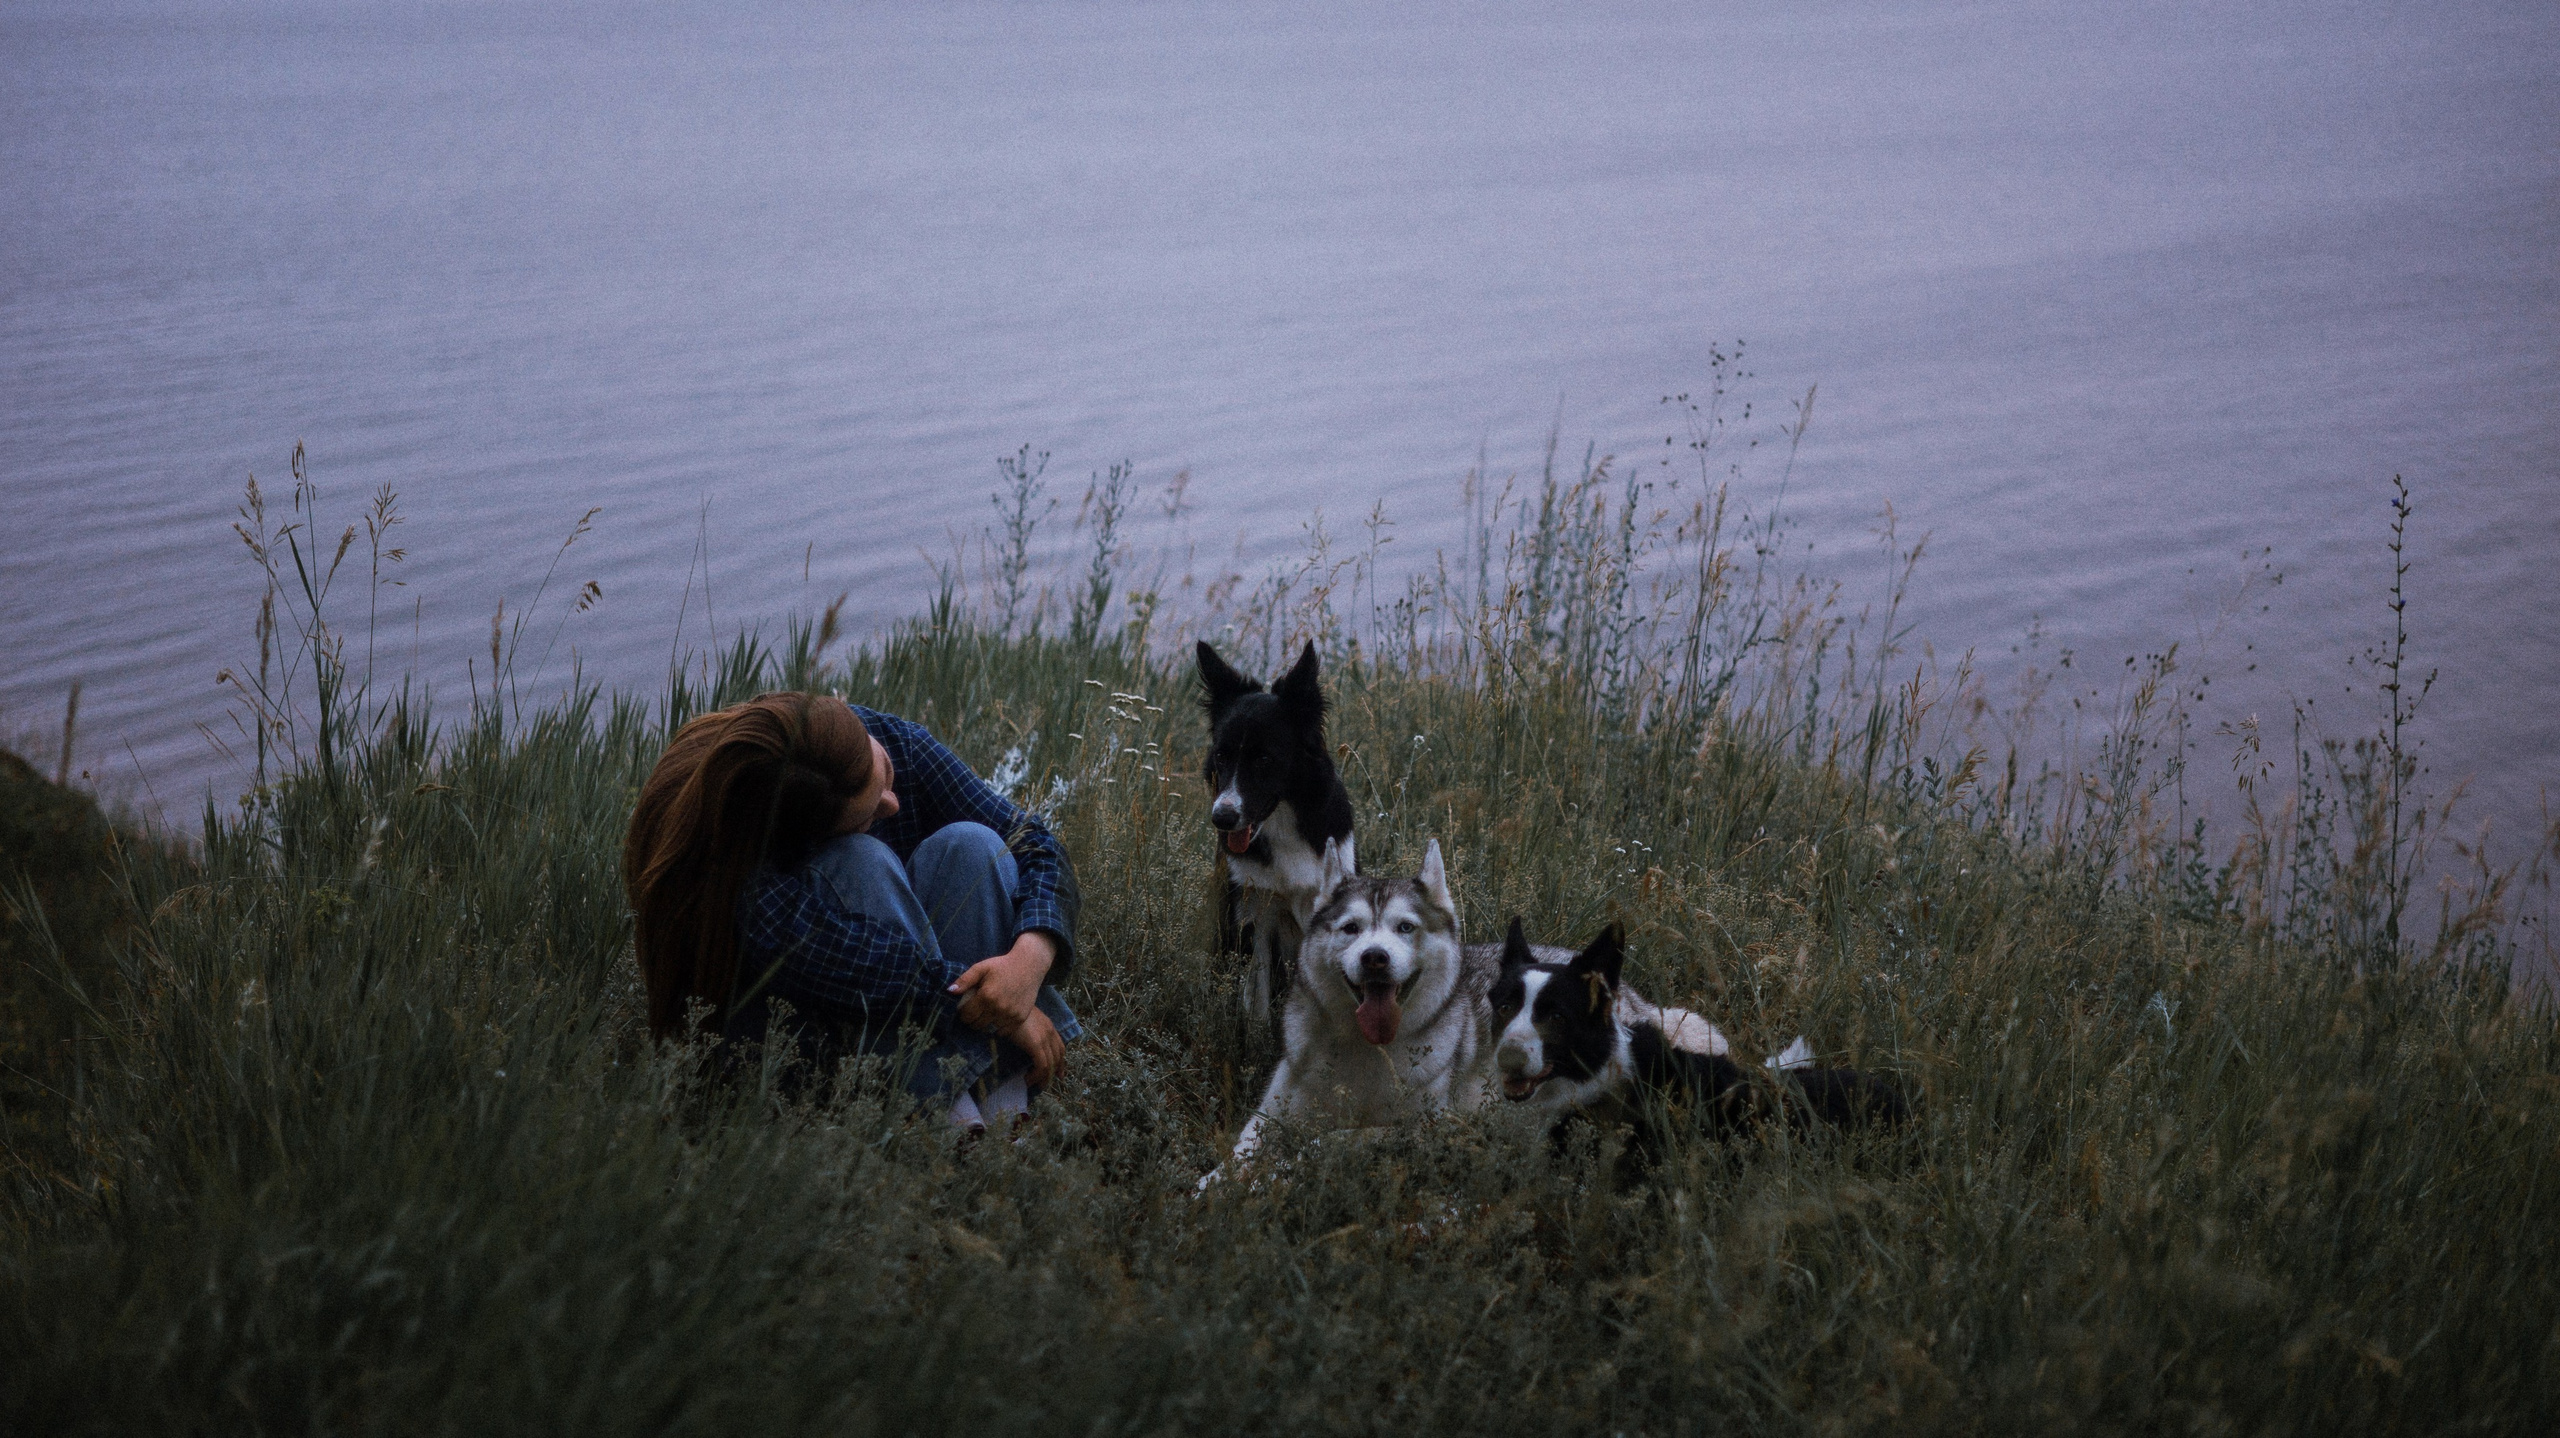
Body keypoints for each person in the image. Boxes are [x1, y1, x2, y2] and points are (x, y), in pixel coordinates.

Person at [622, 691, 1079, 1129]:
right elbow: (842, 963)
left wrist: (1027, 964)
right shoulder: (737, 833)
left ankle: (1003, 1117)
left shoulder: (873, 738)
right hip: (788, 1048)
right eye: (870, 814)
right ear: (800, 834)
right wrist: (991, 1006)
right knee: (863, 862)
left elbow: (1034, 843)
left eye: (884, 773)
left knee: (973, 845)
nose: (893, 803)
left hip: (891, 1024)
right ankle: (950, 1133)